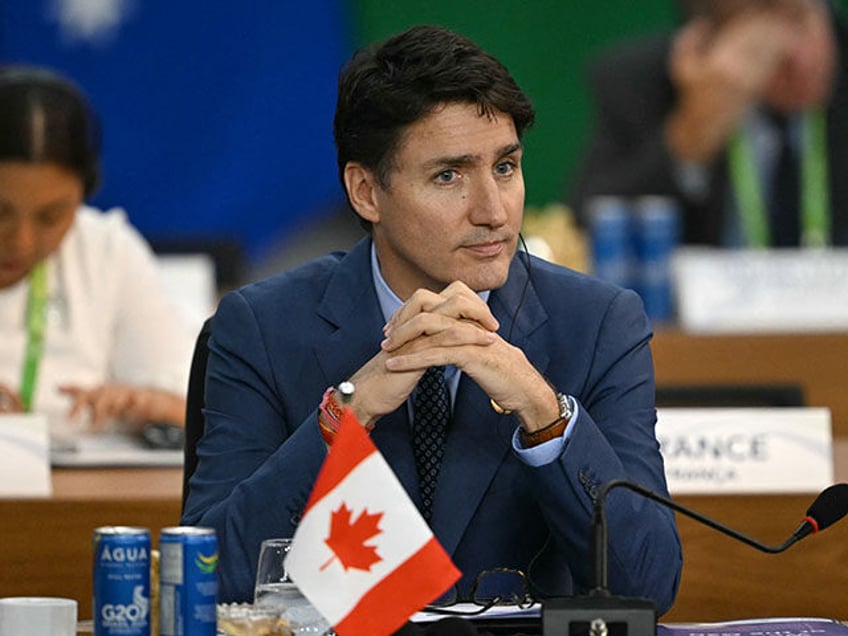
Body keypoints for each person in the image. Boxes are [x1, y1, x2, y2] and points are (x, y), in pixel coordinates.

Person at [182, 25, 682, 614]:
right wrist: (347, 415)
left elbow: (647, 588)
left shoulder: (599, 325)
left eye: (505, 167)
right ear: (367, 192)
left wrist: (546, 416)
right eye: (449, 176)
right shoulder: (262, 328)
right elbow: (208, 578)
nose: (493, 212)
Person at [0, 65, 193, 438]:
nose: (22, 241)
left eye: (51, 217)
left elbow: (205, 413)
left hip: (89, 495)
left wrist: (153, 405)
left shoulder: (107, 251)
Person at [569, 0, 848, 247]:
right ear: (705, 38)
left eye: (802, 18)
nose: (799, 55)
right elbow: (585, 229)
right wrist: (690, 136)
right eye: (766, 31)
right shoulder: (641, 83)